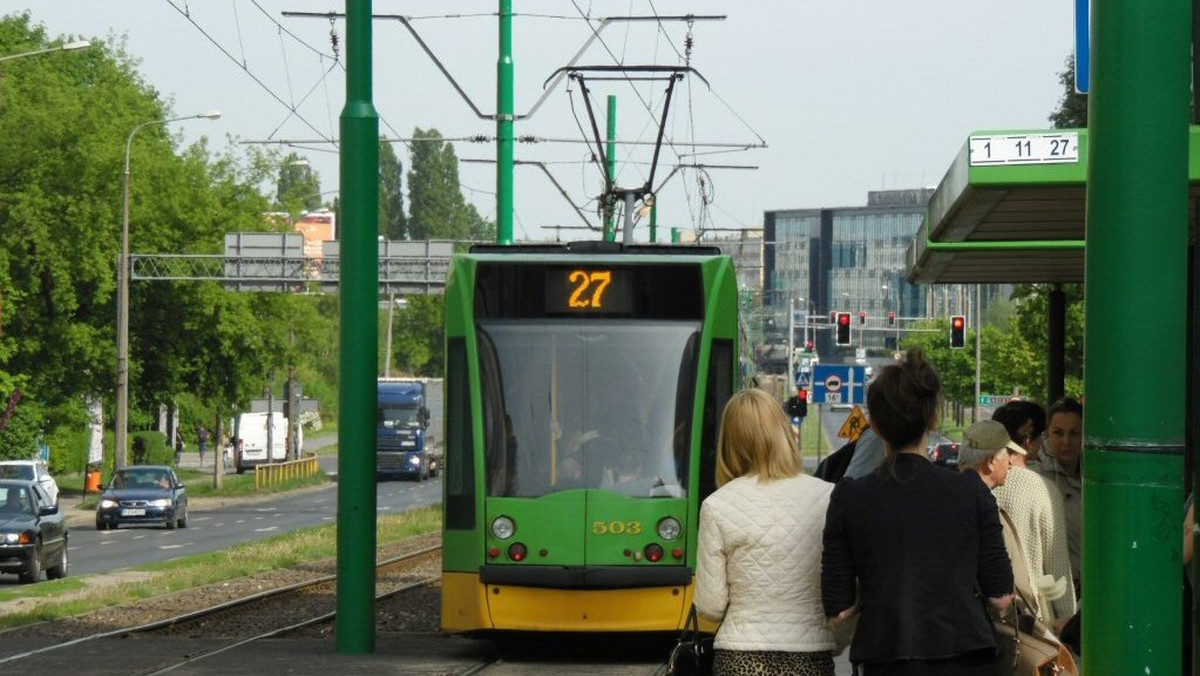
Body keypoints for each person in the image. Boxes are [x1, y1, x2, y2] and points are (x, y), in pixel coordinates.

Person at [822, 347, 1013, 675]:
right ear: (933, 419)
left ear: (877, 426)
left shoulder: (851, 497)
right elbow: (1001, 596)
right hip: (968, 657)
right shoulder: (971, 491)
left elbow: (838, 606)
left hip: (887, 658)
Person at [694, 388, 837, 675]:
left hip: (740, 657)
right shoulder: (829, 497)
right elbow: (843, 592)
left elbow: (710, 606)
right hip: (810, 657)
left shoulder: (717, 505)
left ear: (730, 442)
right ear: (784, 433)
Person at [991, 401, 1077, 629]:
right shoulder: (1044, 489)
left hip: (990, 611)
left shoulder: (981, 482)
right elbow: (1058, 567)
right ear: (1028, 440)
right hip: (1033, 617)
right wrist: (1068, 624)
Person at [1030, 398, 1084, 585]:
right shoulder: (1035, 477)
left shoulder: (1099, 480)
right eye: (1058, 433)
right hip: (1055, 591)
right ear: (1047, 435)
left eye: (1074, 433)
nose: (1066, 441)